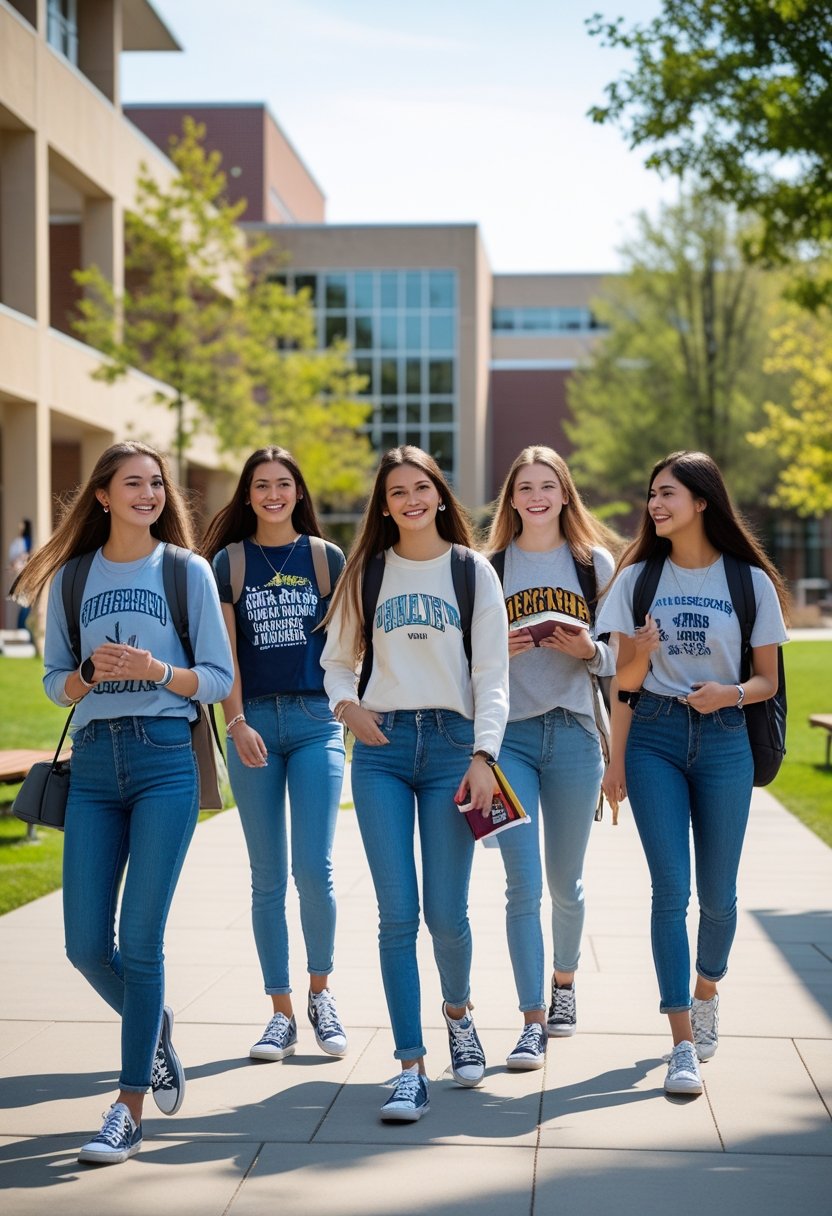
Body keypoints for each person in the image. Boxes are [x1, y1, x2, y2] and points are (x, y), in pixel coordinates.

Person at [14, 441, 233, 1165]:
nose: (150, 493)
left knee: (140, 942)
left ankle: (128, 1106)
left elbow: (216, 677)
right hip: (95, 766)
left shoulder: (186, 570)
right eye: (133, 483)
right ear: (103, 496)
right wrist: (86, 674)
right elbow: (54, 683)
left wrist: (157, 670)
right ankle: (153, 1022)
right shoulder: (73, 577)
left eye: (157, 483)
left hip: (165, 761)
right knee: (84, 946)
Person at [321, 445, 509, 1122]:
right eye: (396, 492)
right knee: (396, 915)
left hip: (455, 751)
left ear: (439, 494)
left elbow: (493, 673)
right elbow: (336, 662)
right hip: (383, 750)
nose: (410, 500)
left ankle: (459, 1015)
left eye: (420, 488)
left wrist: (485, 754)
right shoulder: (367, 572)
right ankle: (409, 1066)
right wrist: (347, 707)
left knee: (446, 914)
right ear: (384, 505)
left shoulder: (471, 571)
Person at [597, 450, 788, 1095]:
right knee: (669, 892)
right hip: (654, 736)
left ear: (702, 501)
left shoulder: (749, 582)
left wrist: (728, 694)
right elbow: (623, 684)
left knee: (719, 897)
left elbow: (767, 680)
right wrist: (616, 759)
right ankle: (681, 1040)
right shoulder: (636, 579)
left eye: (667, 493)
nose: (655, 504)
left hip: (727, 738)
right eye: (652, 494)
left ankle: (707, 989)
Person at [201, 447, 348, 1063]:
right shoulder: (229, 562)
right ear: (247, 495)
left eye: (283, 483)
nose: (273, 494)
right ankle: (280, 1013)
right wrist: (234, 722)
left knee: (313, 869)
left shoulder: (325, 558)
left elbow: (348, 645)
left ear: (298, 492)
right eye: (261, 485)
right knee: (267, 875)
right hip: (253, 723)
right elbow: (224, 654)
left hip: (316, 722)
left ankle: (321, 993)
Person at [485, 446, 617, 1070]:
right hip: (506, 739)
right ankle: (532, 1020)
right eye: (525, 487)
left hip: (574, 736)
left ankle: (565, 983)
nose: (536, 497)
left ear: (565, 493)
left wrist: (588, 650)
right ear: (511, 499)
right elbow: (465, 661)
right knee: (522, 883)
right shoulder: (488, 567)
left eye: (547, 486)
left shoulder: (594, 565)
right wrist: (496, 652)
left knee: (565, 882)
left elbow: (621, 658)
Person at [8, 518, 33, 634]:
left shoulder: (26, 542)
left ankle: (23, 630)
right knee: (21, 603)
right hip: (20, 575)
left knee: (25, 604)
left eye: (22, 526)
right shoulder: (19, 542)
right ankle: (21, 629)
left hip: (26, 577)